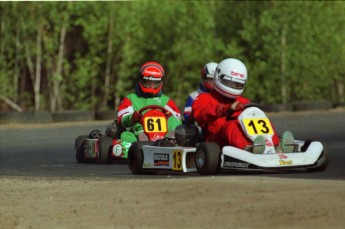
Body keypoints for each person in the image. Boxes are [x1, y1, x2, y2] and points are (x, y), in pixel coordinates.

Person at [192, 58, 292, 154]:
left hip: (246, 137)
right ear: (219, 77)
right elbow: (200, 113)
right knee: (231, 125)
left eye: (237, 84)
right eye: (230, 82)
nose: (233, 86)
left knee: (263, 120)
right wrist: (226, 108)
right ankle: (249, 149)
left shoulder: (243, 101)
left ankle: (275, 146)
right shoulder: (204, 98)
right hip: (216, 141)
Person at [114, 61, 182, 157]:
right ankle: (138, 151)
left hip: (164, 134)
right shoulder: (131, 98)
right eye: (148, 81)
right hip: (140, 133)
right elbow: (122, 119)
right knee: (125, 136)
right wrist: (132, 118)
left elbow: (177, 119)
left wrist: (169, 116)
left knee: (178, 133)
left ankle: (170, 147)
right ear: (141, 80)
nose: (151, 85)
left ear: (160, 82)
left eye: (155, 82)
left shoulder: (166, 101)